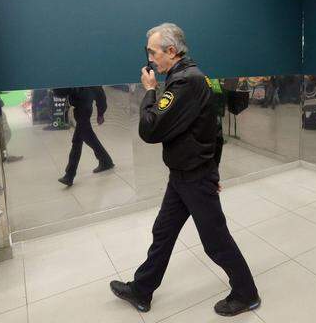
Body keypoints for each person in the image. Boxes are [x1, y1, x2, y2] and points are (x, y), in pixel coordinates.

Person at [110, 23, 260, 317]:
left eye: (153, 53)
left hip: (194, 177)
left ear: (171, 50)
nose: (150, 59)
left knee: (215, 240)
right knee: (163, 232)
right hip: (182, 175)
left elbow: (150, 129)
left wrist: (151, 91)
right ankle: (142, 290)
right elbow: (215, 130)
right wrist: (213, 170)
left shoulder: (186, 83)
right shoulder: (191, 78)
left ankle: (247, 293)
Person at [57, 86, 114, 186]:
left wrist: (101, 113)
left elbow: (100, 93)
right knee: (89, 138)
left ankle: (69, 175)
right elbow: (62, 92)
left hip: (84, 110)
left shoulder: (85, 77)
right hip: (80, 110)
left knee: (77, 142)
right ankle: (106, 161)